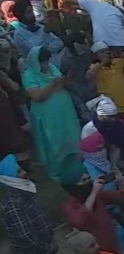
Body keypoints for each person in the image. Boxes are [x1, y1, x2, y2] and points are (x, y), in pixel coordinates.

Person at [22, 46, 80, 181]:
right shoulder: (28, 75)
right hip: (47, 116)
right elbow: (36, 96)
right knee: (53, 141)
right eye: (43, 61)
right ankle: (56, 172)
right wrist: (52, 84)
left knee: (70, 137)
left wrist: (66, 79)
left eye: (47, 60)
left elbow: (62, 84)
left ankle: (75, 167)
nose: (46, 64)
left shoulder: (52, 68)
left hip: (64, 114)